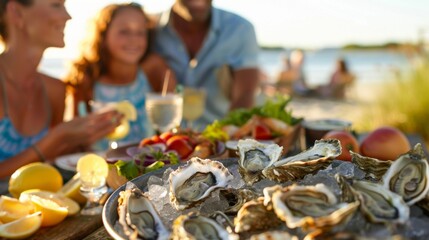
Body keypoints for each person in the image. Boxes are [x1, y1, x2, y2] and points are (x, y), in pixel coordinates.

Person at [0, 0, 123, 178]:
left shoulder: (55, 89)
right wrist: (57, 137)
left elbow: (50, 163)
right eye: (56, 5)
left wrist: (81, 141)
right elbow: (49, 145)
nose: (68, 16)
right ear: (16, 13)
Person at [65, 3, 176, 149]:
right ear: (103, 35)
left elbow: (169, 126)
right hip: (102, 168)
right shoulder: (86, 80)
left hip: (147, 167)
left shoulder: (154, 69)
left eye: (140, 32)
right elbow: (71, 141)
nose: (133, 39)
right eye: (124, 31)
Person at [151, 0, 260, 128]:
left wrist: (224, 139)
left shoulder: (240, 29)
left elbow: (245, 95)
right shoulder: (149, 28)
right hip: (163, 138)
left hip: (219, 134)